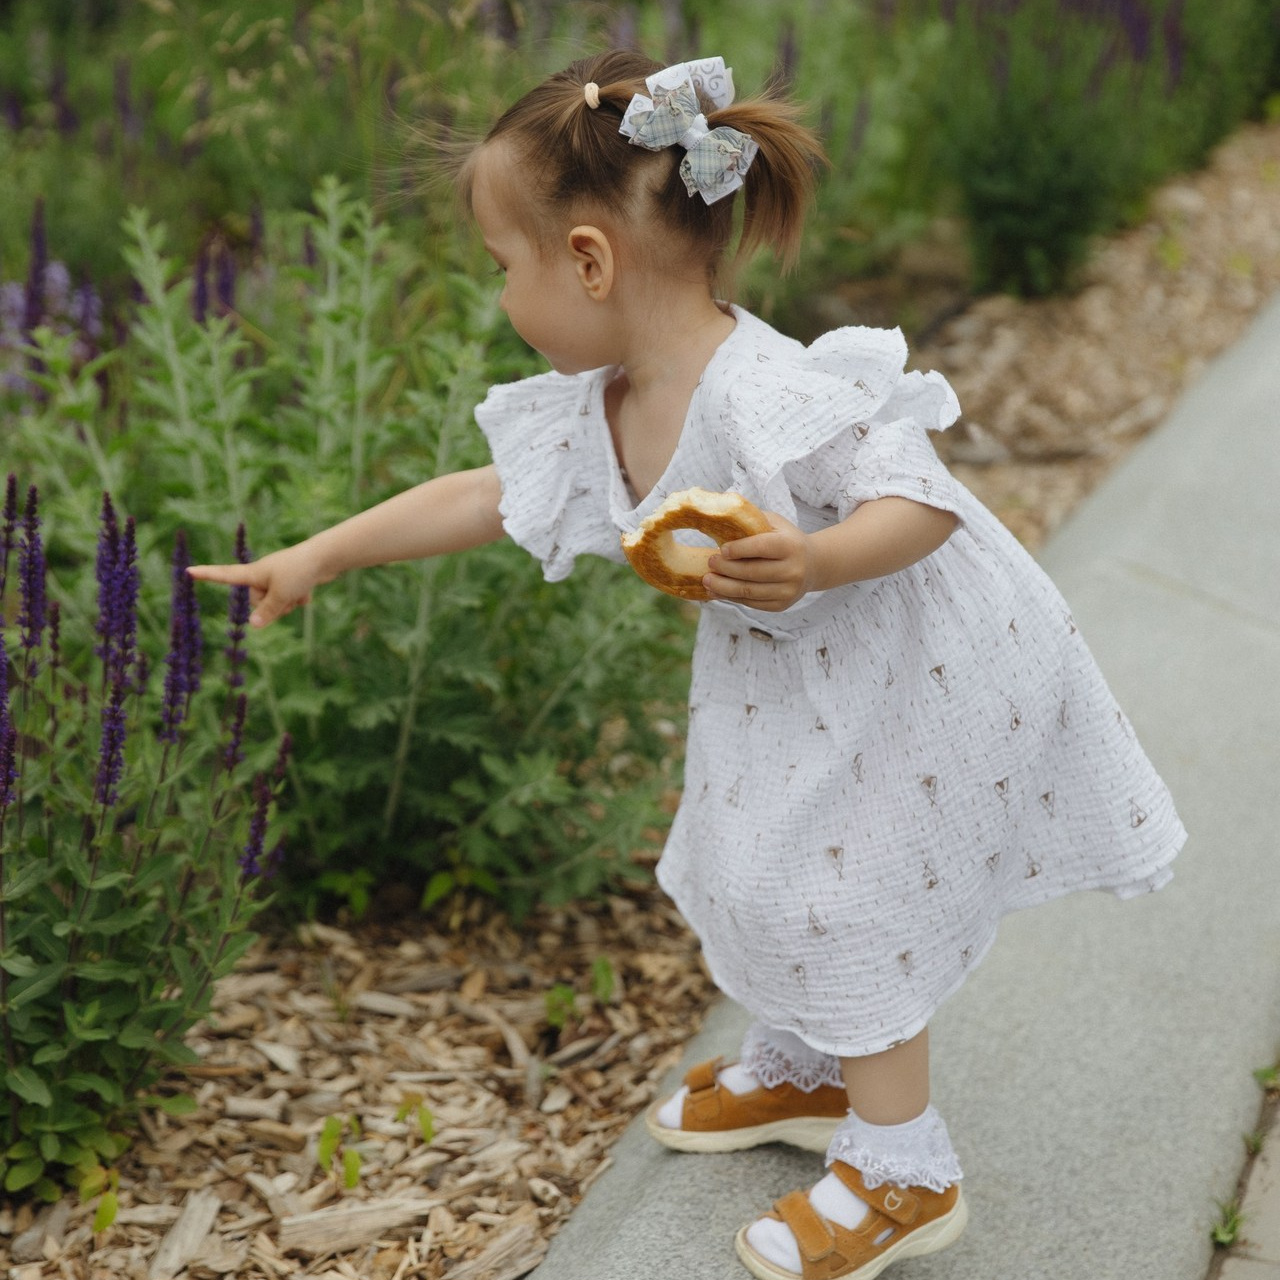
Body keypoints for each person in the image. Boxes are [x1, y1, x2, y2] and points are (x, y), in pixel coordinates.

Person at [189, 49, 1186, 1280]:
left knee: (841, 895)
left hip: (913, 661)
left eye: (501, 265)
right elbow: (486, 492)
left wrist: (816, 559)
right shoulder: (606, 401)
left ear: (588, 261)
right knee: (750, 853)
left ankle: (902, 1169)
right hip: (795, 680)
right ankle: (808, 1069)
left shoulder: (764, 390)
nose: (500, 295)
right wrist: (320, 555)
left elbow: (920, 499)